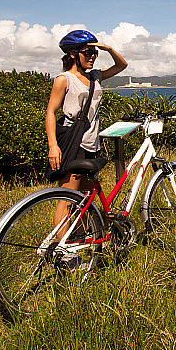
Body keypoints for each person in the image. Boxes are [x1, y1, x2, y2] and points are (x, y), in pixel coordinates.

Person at [46, 30, 127, 229]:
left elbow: (121, 65)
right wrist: (53, 146)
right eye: (87, 52)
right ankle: (63, 249)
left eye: (94, 53)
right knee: (67, 198)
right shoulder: (64, 79)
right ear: (73, 54)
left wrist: (106, 48)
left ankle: (80, 237)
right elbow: (50, 112)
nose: (92, 56)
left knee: (84, 198)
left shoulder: (95, 77)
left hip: (92, 143)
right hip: (74, 143)